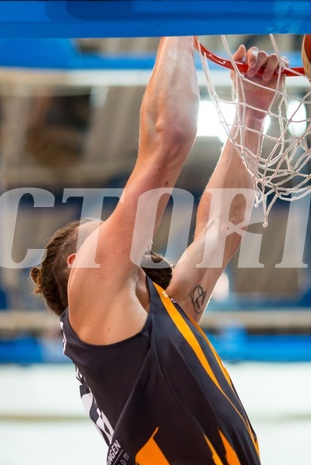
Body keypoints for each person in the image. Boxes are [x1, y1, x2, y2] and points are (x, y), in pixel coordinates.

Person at [31, 37, 284, 465]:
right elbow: (169, 141)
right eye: (104, 231)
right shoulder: (91, 296)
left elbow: (223, 224)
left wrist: (252, 115)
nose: (124, 236)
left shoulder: (158, 322)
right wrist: (180, 26)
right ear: (78, 267)